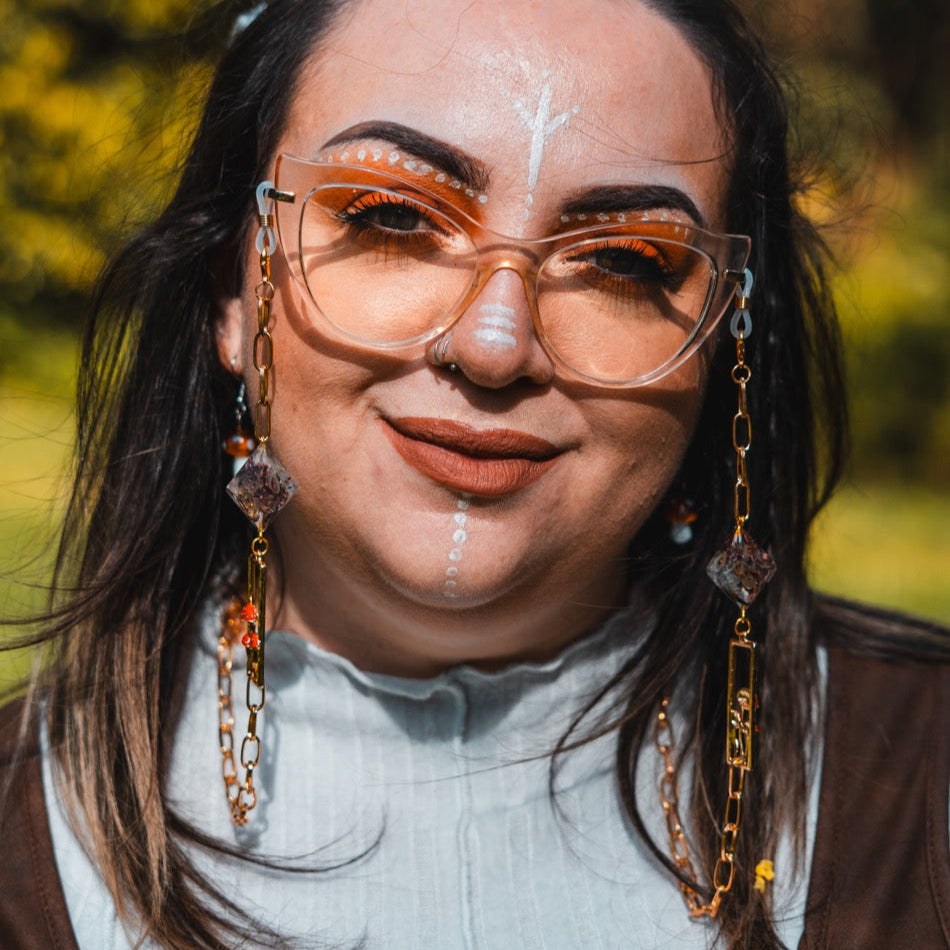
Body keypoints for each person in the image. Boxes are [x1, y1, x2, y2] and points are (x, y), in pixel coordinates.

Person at [1, 0, 947, 947]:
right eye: (394, 216)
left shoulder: (922, 778)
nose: (494, 346)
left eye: (622, 260)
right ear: (233, 289)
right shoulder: (20, 840)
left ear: (723, 343)